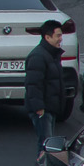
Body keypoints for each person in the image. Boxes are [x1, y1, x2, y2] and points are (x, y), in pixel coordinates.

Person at [23, 19, 67, 148]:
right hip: (43, 110)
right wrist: (39, 108)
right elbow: (33, 84)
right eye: (58, 36)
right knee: (46, 145)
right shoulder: (38, 56)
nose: (61, 39)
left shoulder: (51, 55)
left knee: (48, 144)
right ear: (47, 37)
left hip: (49, 108)